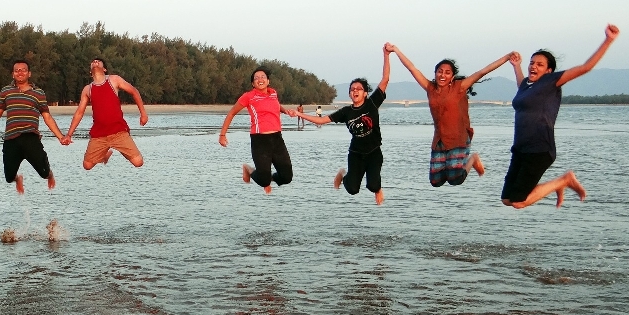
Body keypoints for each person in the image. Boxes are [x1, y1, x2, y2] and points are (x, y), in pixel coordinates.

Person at [502, 24, 620, 209]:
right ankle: (560, 183)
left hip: (539, 149)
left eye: (539, 64)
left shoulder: (551, 82)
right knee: (507, 200)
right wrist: (516, 66)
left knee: (518, 202)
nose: (534, 66)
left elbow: (585, 67)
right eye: (532, 63)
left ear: (549, 71)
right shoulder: (526, 85)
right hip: (520, 149)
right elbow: (521, 87)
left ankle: (563, 181)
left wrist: (608, 40)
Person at [387, 45, 519, 187]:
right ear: (435, 73)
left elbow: (483, 72)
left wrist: (507, 57)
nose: (443, 75)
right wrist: (396, 50)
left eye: (447, 73)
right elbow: (412, 68)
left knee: (455, 179)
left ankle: (473, 159)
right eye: (440, 71)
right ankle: (452, 165)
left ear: (452, 77)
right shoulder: (430, 88)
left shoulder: (459, 87)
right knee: (435, 181)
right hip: (440, 139)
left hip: (459, 137)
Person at [293, 45, 391, 204]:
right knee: (352, 189)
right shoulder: (346, 112)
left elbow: (385, 79)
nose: (355, 91)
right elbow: (321, 120)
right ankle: (343, 176)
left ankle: (377, 189)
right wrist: (298, 113)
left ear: (365, 93)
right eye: (352, 89)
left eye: (359, 88)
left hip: (374, 152)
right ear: (350, 93)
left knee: (373, 185)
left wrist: (386, 54)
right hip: (356, 154)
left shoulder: (372, 104)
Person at [0, 60, 67, 194]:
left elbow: (47, 117)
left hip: (30, 137)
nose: (20, 72)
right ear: (12, 74)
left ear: (29, 73)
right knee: (9, 177)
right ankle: (18, 179)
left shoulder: (38, 93)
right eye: (17, 70)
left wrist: (61, 137)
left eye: (23, 70)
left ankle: (49, 175)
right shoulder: (6, 91)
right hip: (11, 138)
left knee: (43, 172)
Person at [218, 66, 294, 194]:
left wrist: (285, 111)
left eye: (263, 77)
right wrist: (222, 134)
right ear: (253, 83)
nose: (260, 79)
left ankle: (268, 180)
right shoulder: (248, 97)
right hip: (260, 141)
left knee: (287, 177)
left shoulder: (273, 93)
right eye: (256, 78)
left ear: (268, 81)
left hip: (277, 139)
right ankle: (249, 170)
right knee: (263, 180)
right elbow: (231, 113)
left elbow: (274, 104)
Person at [62, 58, 148, 169]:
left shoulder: (114, 80)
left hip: (118, 132)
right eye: (92, 61)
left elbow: (134, 91)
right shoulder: (88, 89)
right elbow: (79, 112)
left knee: (138, 162)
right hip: (99, 135)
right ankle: (104, 154)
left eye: (98, 61)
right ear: (90, 71)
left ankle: (120, 148)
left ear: (105, 69)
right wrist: (69, 134)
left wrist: (143, 114)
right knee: (87, 165)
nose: (95, 62)